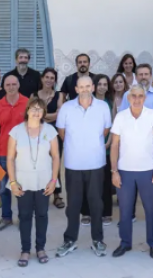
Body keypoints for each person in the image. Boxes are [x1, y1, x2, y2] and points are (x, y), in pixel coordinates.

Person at [54, 76, 113, 258]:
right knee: (73, 205)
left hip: (96, 163)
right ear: (77, 89)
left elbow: (105, 131)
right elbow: (62, 133)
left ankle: (97, 239)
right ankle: (70, 239)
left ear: (93, 87)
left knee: (96, 203)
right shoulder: (66, 108)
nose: (85, 89)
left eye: (88, 86)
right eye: (82, 86)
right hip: (73, 164)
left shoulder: (103, 107)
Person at [110, 85, 153, 259]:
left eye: (140, 96)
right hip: (125, 171)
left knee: (151, 210)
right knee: (125, 210)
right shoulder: (120, 117)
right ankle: (125, 243)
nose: (137, 99)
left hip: (147, 170)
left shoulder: (152, 115)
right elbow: (115, 145)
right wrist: (114, 171)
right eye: (133, 95)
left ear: (145, 98)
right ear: (128, 97)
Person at [5, 97, 60, 267]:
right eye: (33, 108)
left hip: (44, 180)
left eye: (40, 109)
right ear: (27, 110)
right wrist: (13, 181)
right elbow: (10, 158)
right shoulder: (16, 131)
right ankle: (25, 250)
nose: (36, 112)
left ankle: (41, 248)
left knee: (42, 215)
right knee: (25, 216)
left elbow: (56, 156)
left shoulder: (50, 131)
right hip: (23, 180)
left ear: (43, 113)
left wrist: (53, 179)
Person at [0, 75, 29, 232]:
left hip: (23, 153)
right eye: (8, 84)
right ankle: (6, 217)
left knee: (22, 187)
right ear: (3, 86)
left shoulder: (27, 103)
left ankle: (23, 217)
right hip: (3, 153)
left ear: (19, 85)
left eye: (14, 84)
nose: (11, 87)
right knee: (4, 188)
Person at [80, 75, 114, 225]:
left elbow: (113, 126)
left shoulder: (109, 103)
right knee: (87, 182)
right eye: (99, 84)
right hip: (88, 149)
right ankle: (86, 212)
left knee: (105, 182)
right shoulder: (87, 102)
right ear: (94, 86)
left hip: (105, 149)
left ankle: (106, 212)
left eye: (104, 84)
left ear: (108, 87)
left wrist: (108, 143)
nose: (102, 87)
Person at [37, 68, 64, 209]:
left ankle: (57, 194)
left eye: (52, 78)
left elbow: (60, 113)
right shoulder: (34, 95)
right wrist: (50, 115)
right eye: (46, 77)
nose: (49, 80)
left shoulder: (59, 95)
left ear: (54, 81)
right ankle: (41, 191)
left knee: (55, 162)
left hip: (54, 133)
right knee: (39, 161)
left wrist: (43, 115)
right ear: (42, 79)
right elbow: (32, 112)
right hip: (38, 132)